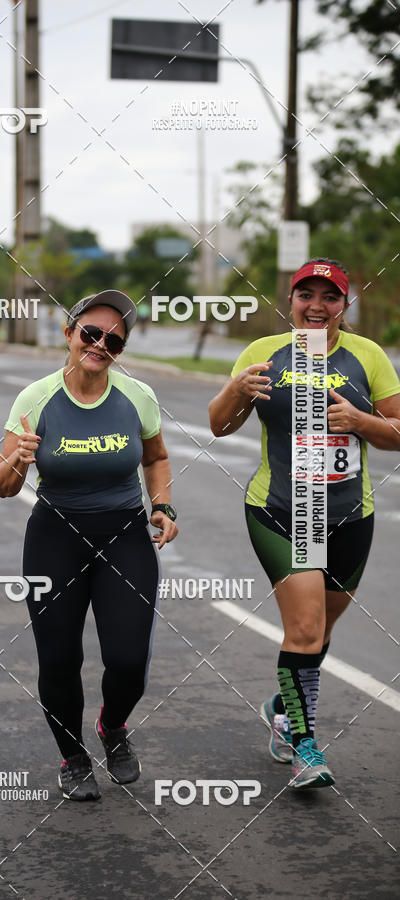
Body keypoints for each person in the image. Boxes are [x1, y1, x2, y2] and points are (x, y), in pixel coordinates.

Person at [208, 258, 400, 789]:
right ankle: (304, 747)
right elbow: (219, 426)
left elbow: (397, 432)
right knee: (306, 629)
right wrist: (237, 391)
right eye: (305, 296)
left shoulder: (368, 357)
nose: (316, 307)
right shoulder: (262, 354)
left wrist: (362, 422)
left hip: (347, 516)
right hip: (280, 512)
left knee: (317, 634)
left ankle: (281, 704)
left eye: (329, 297)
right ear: (289, 301)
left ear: (344, 305)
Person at [0, 290, 179, 801]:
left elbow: (156, 458)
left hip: (123, 534)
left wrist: (162, 506)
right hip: (56, 535)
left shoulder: (137, 396)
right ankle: (72, 755)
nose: (100, 344)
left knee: (127, 658)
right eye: (90, 333)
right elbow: (3, 487)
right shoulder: (36, 399)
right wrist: (20, 460)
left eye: (113, 340)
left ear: (121, 348)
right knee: (58, 659)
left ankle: (112, 726)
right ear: (69, 332)